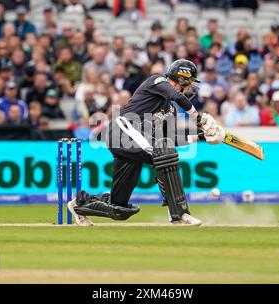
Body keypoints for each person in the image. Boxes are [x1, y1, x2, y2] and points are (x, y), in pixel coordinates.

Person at [68, 59, 225, 226]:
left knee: (119, 208)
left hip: (130, 143)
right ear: (181, 78)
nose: (190, 87)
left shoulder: (169, 110)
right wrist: (198, 119)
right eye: (190, 82)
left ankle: (80, 203)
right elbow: (177, 96)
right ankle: (179, 213)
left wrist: (202, 136)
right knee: (163, 154)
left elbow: (170, 138)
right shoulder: (157, 81)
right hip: (122, 130)